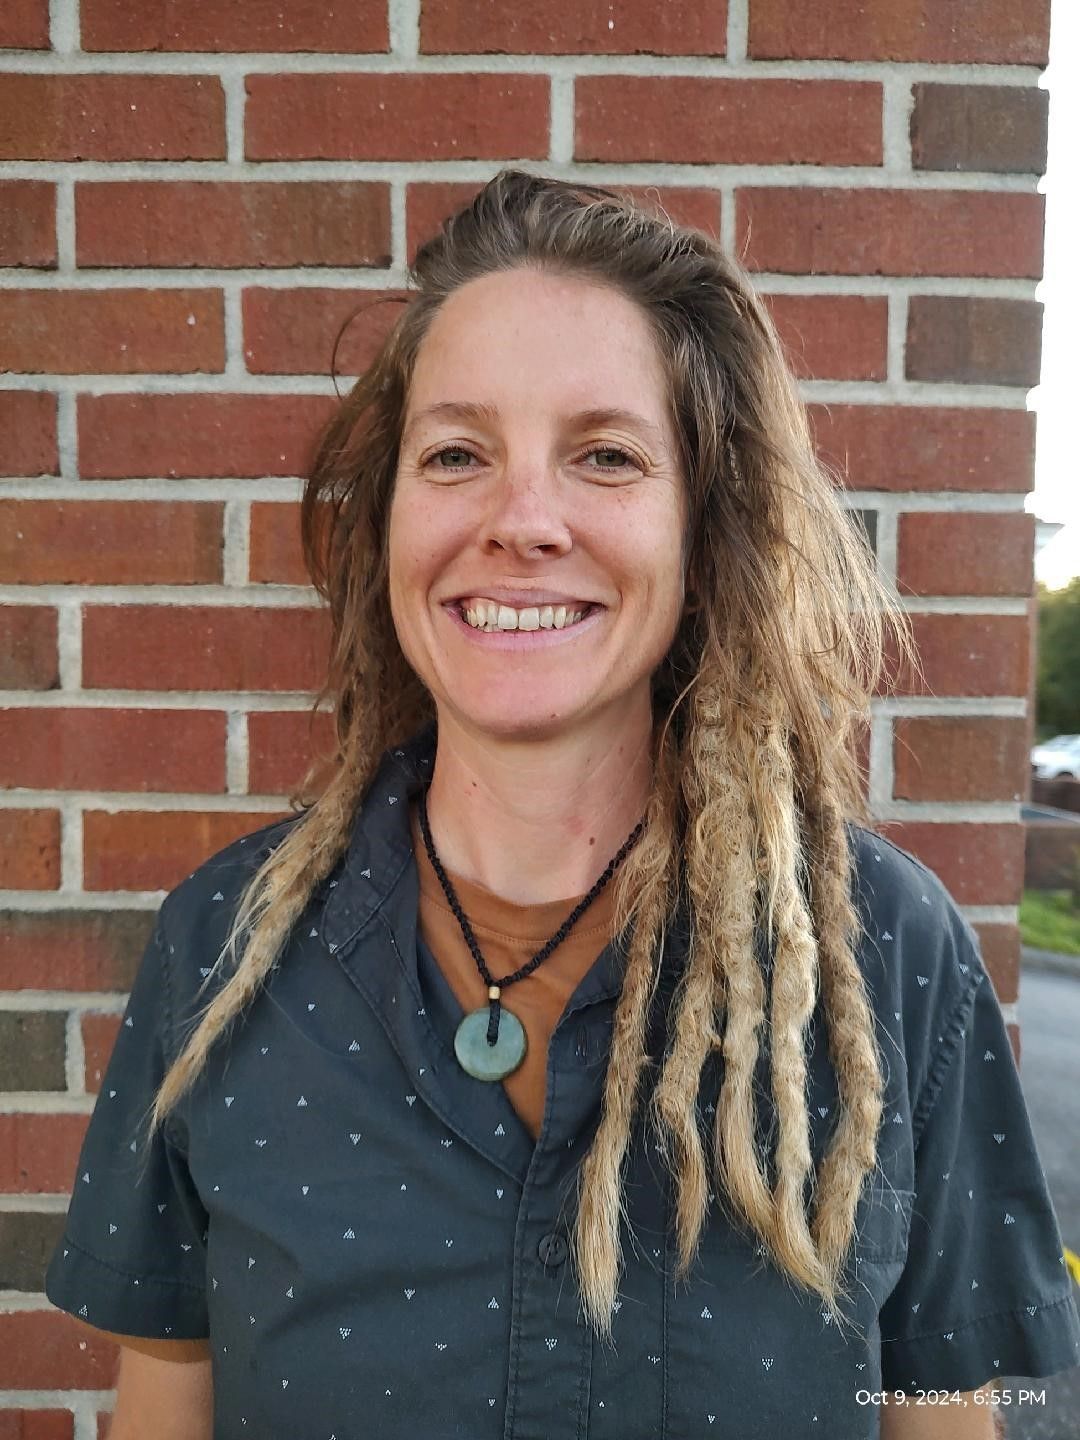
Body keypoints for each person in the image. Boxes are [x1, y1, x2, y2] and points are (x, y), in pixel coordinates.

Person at [45, 169, 1079, 1439]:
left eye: (605, 456)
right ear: (389, 523)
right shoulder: (221, 947)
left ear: (706, 528)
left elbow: (943, 1409)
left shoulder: (889, 954)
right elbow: (165, 1407)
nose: (522, 520)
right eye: (458, 454)